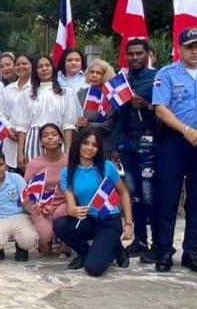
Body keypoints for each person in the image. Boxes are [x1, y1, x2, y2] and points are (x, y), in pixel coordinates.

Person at [151, 27, 197, 273]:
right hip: (175, 140)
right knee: (168, 197)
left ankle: (191, 251)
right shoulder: (167, 74)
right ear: (180, 48)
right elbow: (161, 109)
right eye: (190, 47)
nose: (195, 51)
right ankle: (164, 250)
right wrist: (186, 130)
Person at [53, 127, 133, 276]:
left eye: (94, 145)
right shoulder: (67, 172)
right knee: (60, 224)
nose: (90, 148)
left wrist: (128, 223)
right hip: (88, 220)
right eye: (86, 143)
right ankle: (86, 252)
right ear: (78, 145)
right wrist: (73, 210)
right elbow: (70, 205)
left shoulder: (107, 167)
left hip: (108, 221)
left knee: (93, 269)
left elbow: (123, 193)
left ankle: (113, 246)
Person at [110, 39, 158, 260]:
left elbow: (164, 112)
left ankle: (158, 243)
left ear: (148, 54)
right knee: (133, 194)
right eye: (131, 54)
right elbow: (117, 117)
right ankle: (139, 240)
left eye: (139, 53)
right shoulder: (122, 81)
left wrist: (147, 106)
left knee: (150, 196)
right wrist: (115, 146)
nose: (135, 57)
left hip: (149, 142)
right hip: (126, 144)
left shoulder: (157, 78)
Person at [15, 54, 81, 170]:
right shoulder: (27, 94)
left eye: (47, 65)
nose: (44, 69)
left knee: (58, 176)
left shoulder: (65, 93)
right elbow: (22, 126)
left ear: (53, 68)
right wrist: (20, 152)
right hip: (34, 139)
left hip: (57, 138)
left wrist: (68, 149)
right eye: (40, 66)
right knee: (35, 178)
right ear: (35, 70)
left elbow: (68, 125)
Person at [0, 148, 39, 261]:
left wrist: (31, 209)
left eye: (1, 164)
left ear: (6, 165)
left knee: (29, 239)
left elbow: (25, 200)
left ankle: (21, 248)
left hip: (19, 216)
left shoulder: (16, 178)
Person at [24, 124, 69, 256]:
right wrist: (37, 206)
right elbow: (27, 192)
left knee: (62, 216)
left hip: (65, 205)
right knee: (45, 241)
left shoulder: (70, 160)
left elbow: (76, 187)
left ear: (60, 139)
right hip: (41, 206)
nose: (50, 138)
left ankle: (66, 241)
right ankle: (44, 242)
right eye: (45, 135)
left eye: (54, 134)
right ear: (40, 141)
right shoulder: (34, 163)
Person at [0, 53, 32, 172]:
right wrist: (8, 129)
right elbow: (0, 113)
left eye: (25, 64)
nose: (21, 66)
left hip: (31, 138)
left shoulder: (36, 89)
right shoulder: (7, 90)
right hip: (10, 139)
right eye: (18, 64)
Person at [76, 58, 116, 154]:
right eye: (92, 72)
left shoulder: (111, 95)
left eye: (99, 73)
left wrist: (89, 125)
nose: (94, 75)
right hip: (82, 140)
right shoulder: (81, 92)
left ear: (105, 75)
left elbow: (110, 124)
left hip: (103, 143)